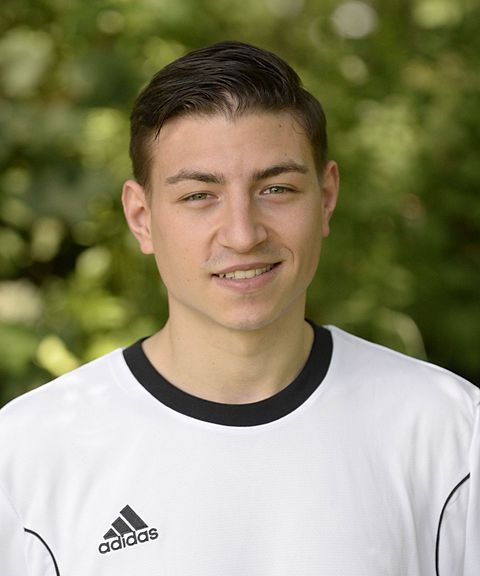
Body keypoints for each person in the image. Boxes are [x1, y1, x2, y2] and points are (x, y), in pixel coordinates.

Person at [0, 40, 478, 576]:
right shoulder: (28, 454)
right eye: (199, 196)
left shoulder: (449, 432)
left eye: (276, 189)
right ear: (141, 218)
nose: (243, 234)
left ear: (325, 198)